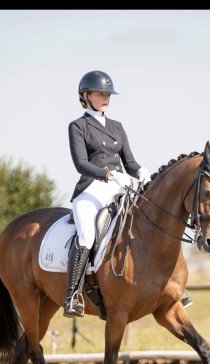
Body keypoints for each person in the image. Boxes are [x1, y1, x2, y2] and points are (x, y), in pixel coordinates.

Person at [63, 70, 152, 318]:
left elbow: (129, 162)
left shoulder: (117, 126)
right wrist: (110, 175)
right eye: (101, 93)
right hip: (91, 189)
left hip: (121, 188)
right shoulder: (78, 126)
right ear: (85, 96)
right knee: (86, 235)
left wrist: (141, 171)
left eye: (108, 94)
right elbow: (81, 164)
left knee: (147, 225)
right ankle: (72, 296)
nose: (106, 97)